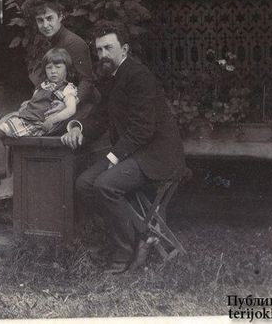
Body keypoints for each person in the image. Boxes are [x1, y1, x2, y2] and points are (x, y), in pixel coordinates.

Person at [61, 21, 186, 273]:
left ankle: (124, 250)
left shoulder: (139, 76)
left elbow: (143, 129)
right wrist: (77, 127)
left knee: (105, 185)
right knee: (84, 184)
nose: (103, 55)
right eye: (99, 50)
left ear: (125, 49)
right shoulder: (111, 77)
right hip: (134, 154)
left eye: (109, 48)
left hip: (157, 156)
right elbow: (100, 117)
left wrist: (113, 157)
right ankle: (133, 235)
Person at [0, 1, 97, 210]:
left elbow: (87, 82)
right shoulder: (51, 41)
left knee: (9, 127)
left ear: (61, 17)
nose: (45, 25)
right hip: (51, 105)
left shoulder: (74, 43)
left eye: (50, 18)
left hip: (75, 110)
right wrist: (32, 101)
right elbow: (49, 81)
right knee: (6, 124)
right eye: (40, 20)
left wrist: (66, 103)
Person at [0, 48, 80, 209]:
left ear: (67, 68)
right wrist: (27, 105)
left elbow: (72, 107)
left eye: (58, 67)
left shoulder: (67, 89)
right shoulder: (44, 86)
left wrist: (53, 117)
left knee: (1, 132)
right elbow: (36, 102)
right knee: (1, 130)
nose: (53, 71)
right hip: (30, 119)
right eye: (49, 68)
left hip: (40, 125)